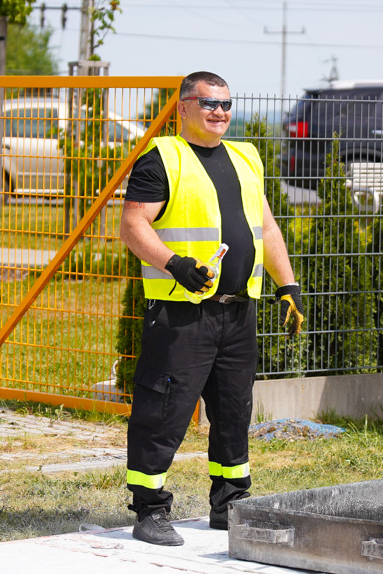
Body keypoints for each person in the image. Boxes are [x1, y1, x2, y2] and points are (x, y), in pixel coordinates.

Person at [119, 71, 303, 546]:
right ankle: (150, 509)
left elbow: (266, 226)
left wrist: (288, 287)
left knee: (234, 412)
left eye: (224, 103)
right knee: (164, 412)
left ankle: (231, 503)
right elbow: (133, 225)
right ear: (183, 107)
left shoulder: (246, 156)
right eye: (208, 103)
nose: (219, 111)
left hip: (238, 313)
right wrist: (174, 263)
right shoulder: (163, 157)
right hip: (182, 314)